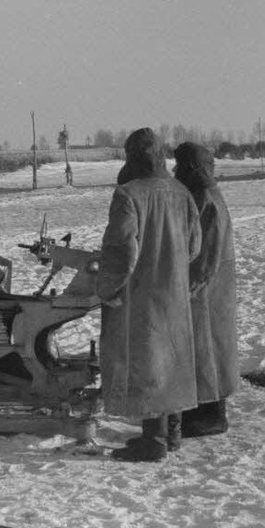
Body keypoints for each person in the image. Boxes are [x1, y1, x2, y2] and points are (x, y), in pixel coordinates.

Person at [97, 129, 201, 462]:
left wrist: (109, 289)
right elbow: (195, 244)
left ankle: (152, 441)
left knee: (147, 362)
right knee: (170, 361)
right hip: (174, 290)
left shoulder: (129, 194)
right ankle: (170, 434)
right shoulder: (180, 191)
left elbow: (121, 251)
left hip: (141, 293)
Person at [173, 142, 239, 438]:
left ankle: (211, 416)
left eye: (179, 166)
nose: (175, 171)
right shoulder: (205, 195)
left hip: (205, 288)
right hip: (210, 287)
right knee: (205, 350)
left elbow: (204, 253)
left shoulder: (204, 199)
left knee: (207, 350)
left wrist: (187, 287)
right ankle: (197, 409)